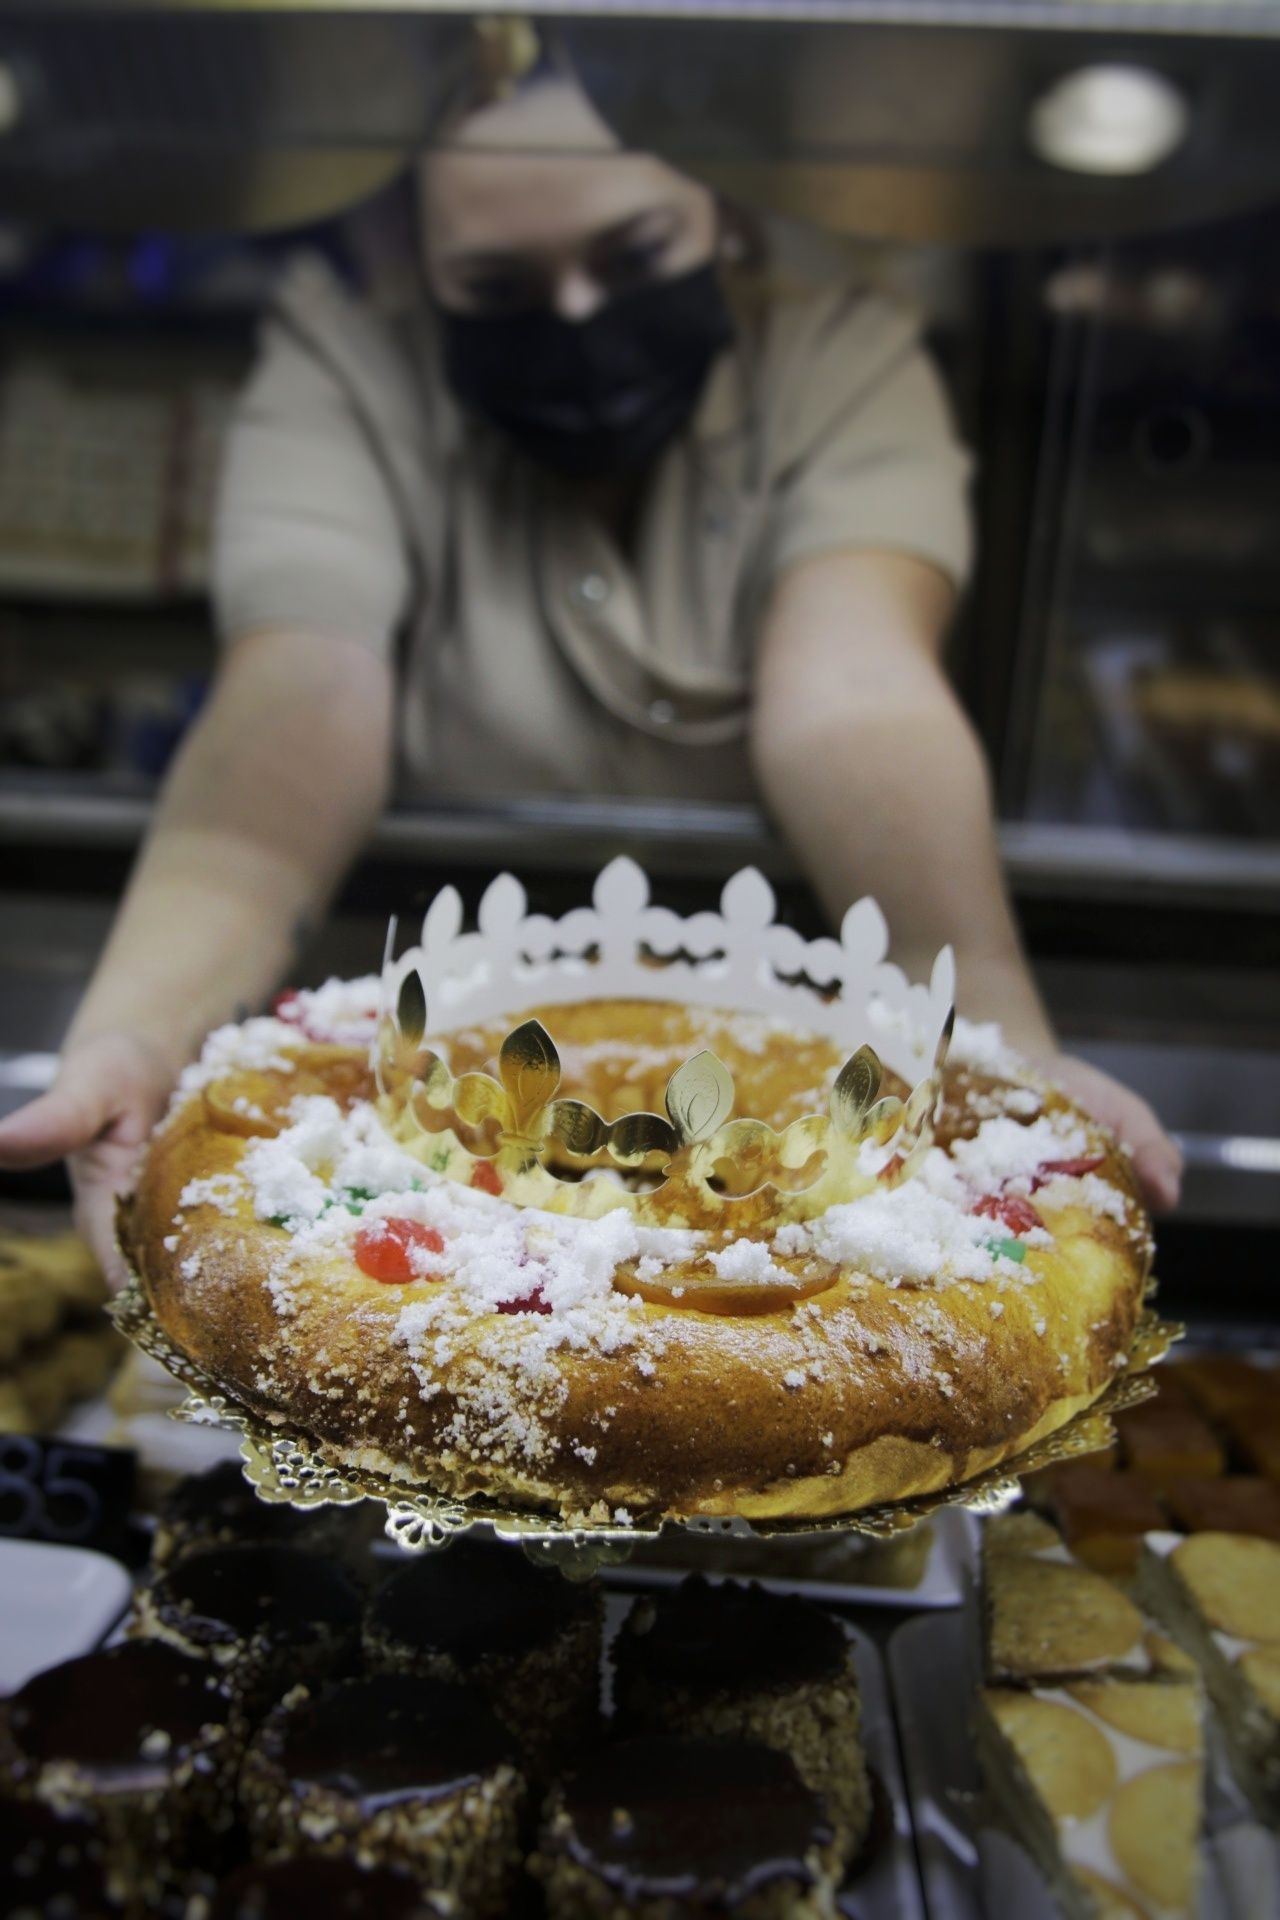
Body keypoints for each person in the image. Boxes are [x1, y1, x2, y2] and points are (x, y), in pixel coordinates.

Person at [0, 41, 1181, 1283]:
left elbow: (855, 695)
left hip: (786, 1118)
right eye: (498, 283)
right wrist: (138, 1028)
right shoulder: (346, 362)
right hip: (431, 1110)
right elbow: (300, 692)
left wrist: (994, 1036)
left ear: (718, 209)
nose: (573, 315)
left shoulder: (836, 352)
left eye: (630, 259)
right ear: (415, 255)